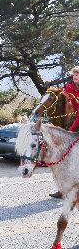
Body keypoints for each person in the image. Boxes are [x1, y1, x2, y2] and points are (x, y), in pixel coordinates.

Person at [47, 66, 79, 199]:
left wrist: (72, 129)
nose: (75, 78)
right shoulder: (70, 87)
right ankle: (62, 189)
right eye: (74, 76)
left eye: (77, 76)